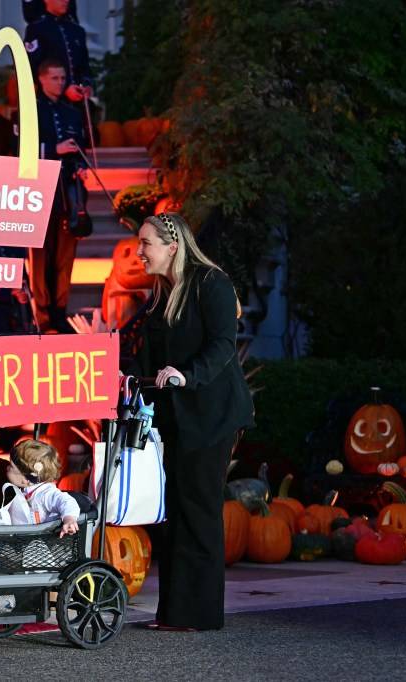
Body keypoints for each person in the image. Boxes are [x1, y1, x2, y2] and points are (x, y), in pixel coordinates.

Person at [132, 212, 255, 631]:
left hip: (210, 415)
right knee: (175, 512)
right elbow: (145, 350)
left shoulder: (210, 282)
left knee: (198, 510)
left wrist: (189, 374)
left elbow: (223, 344)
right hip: (175, 417)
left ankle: (199, 615)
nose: (139, 251)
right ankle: (174, 613)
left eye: (145, 243)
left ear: (172, 246)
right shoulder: (163, 292)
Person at [28, 59, 88, 333]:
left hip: (69, 195)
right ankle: (42, 317)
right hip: (40, 194)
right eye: (54, 78)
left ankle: (60, 312)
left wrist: (83, 168)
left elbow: (81, 149)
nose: (60, 82)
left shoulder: (72, 113)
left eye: (62, 77)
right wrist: (53, 149)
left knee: (65, 258)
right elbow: (19, 150)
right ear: (41, 79)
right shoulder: (30, 109)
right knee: (40, 259)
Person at [0, 439, 80, 538]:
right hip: (20, 542)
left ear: (25, 478)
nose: (7, 468)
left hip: (40, 547)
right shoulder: (23, 489)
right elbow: (18, 515)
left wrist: (69, 519)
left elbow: (66, 501)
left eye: (11, 466)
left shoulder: (45, 493)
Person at [24, 0, 92, 104]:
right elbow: (33, 66)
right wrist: (64, 88)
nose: (66, 1)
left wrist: (87, 84)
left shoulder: (77, 31)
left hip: (79, 100)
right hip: (50, 100)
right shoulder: (36, 29)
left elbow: (84, 63)